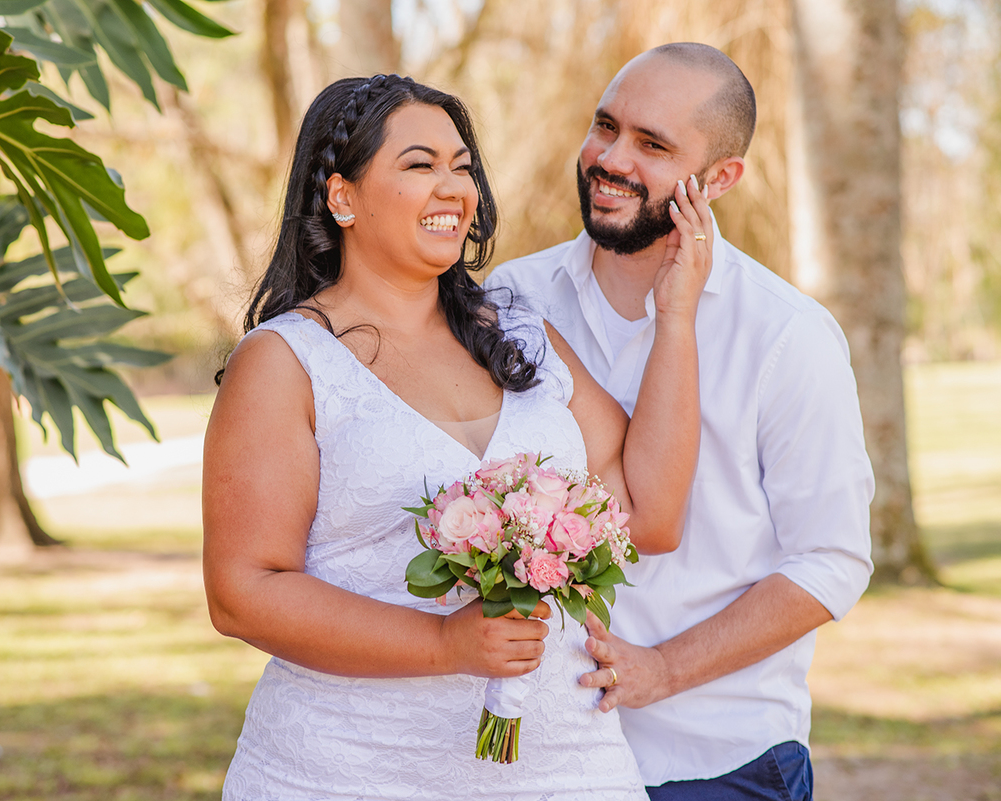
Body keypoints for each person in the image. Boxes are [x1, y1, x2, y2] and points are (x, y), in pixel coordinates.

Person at [203, 73, 713, 799]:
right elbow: (243, 591)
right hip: (350, 773)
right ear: (342, 195)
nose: (455, 188)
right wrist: (445, 643)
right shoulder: (286, 362)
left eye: (462, 166)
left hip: (568, 767)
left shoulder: (521, 331)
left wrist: (677, 319)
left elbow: (651, 516)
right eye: (420, 165)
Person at [486, 43, 876, 800]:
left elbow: (830, 560)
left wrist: (662, 669)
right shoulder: (512, 298)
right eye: (606, 126)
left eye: (653, 145)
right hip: (535, 756)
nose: (610, 157)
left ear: (721, 178)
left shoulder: (787, 334)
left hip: (716, 760)